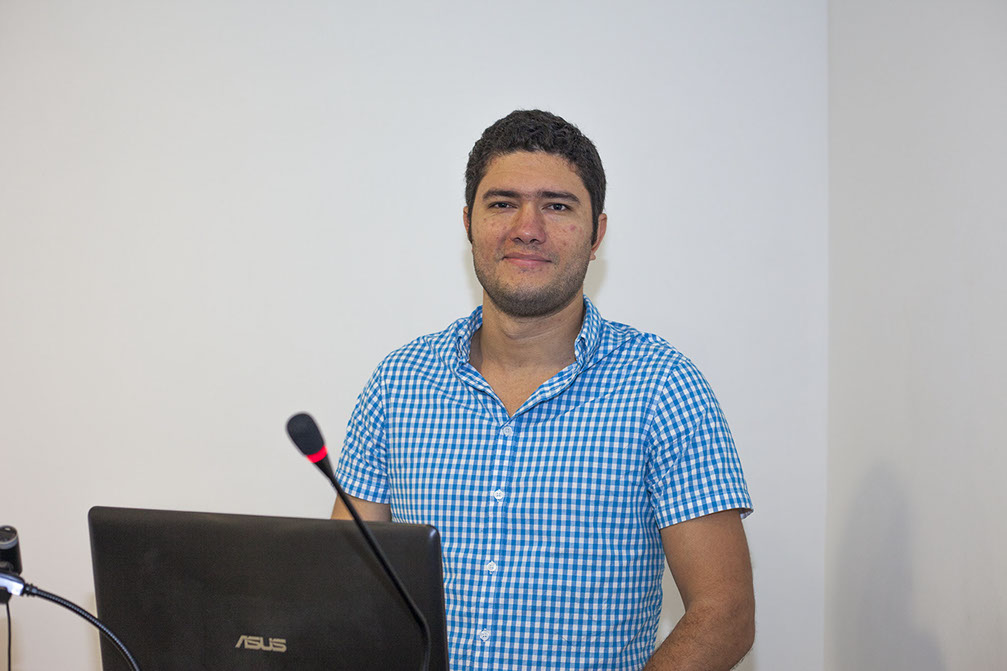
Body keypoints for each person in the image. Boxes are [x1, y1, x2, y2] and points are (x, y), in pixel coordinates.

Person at [333, 109, 755, 671]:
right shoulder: (398, 384)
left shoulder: (664, 388)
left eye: (556, 206)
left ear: (597, 233)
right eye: (502, 203)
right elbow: (343, 586)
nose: (527, 228)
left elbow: (725, 613)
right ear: (468, 224)